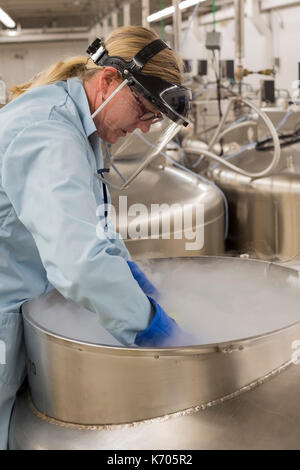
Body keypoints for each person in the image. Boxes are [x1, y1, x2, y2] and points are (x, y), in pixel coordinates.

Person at [0, 25, 191, 449]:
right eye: (143, 110)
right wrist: (153, 331)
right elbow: (80, 262)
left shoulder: (74, 123)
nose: (142, 128)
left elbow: (93, 227)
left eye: (153, 120)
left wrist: (132, 276)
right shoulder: (47, 132)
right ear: (108, 81)